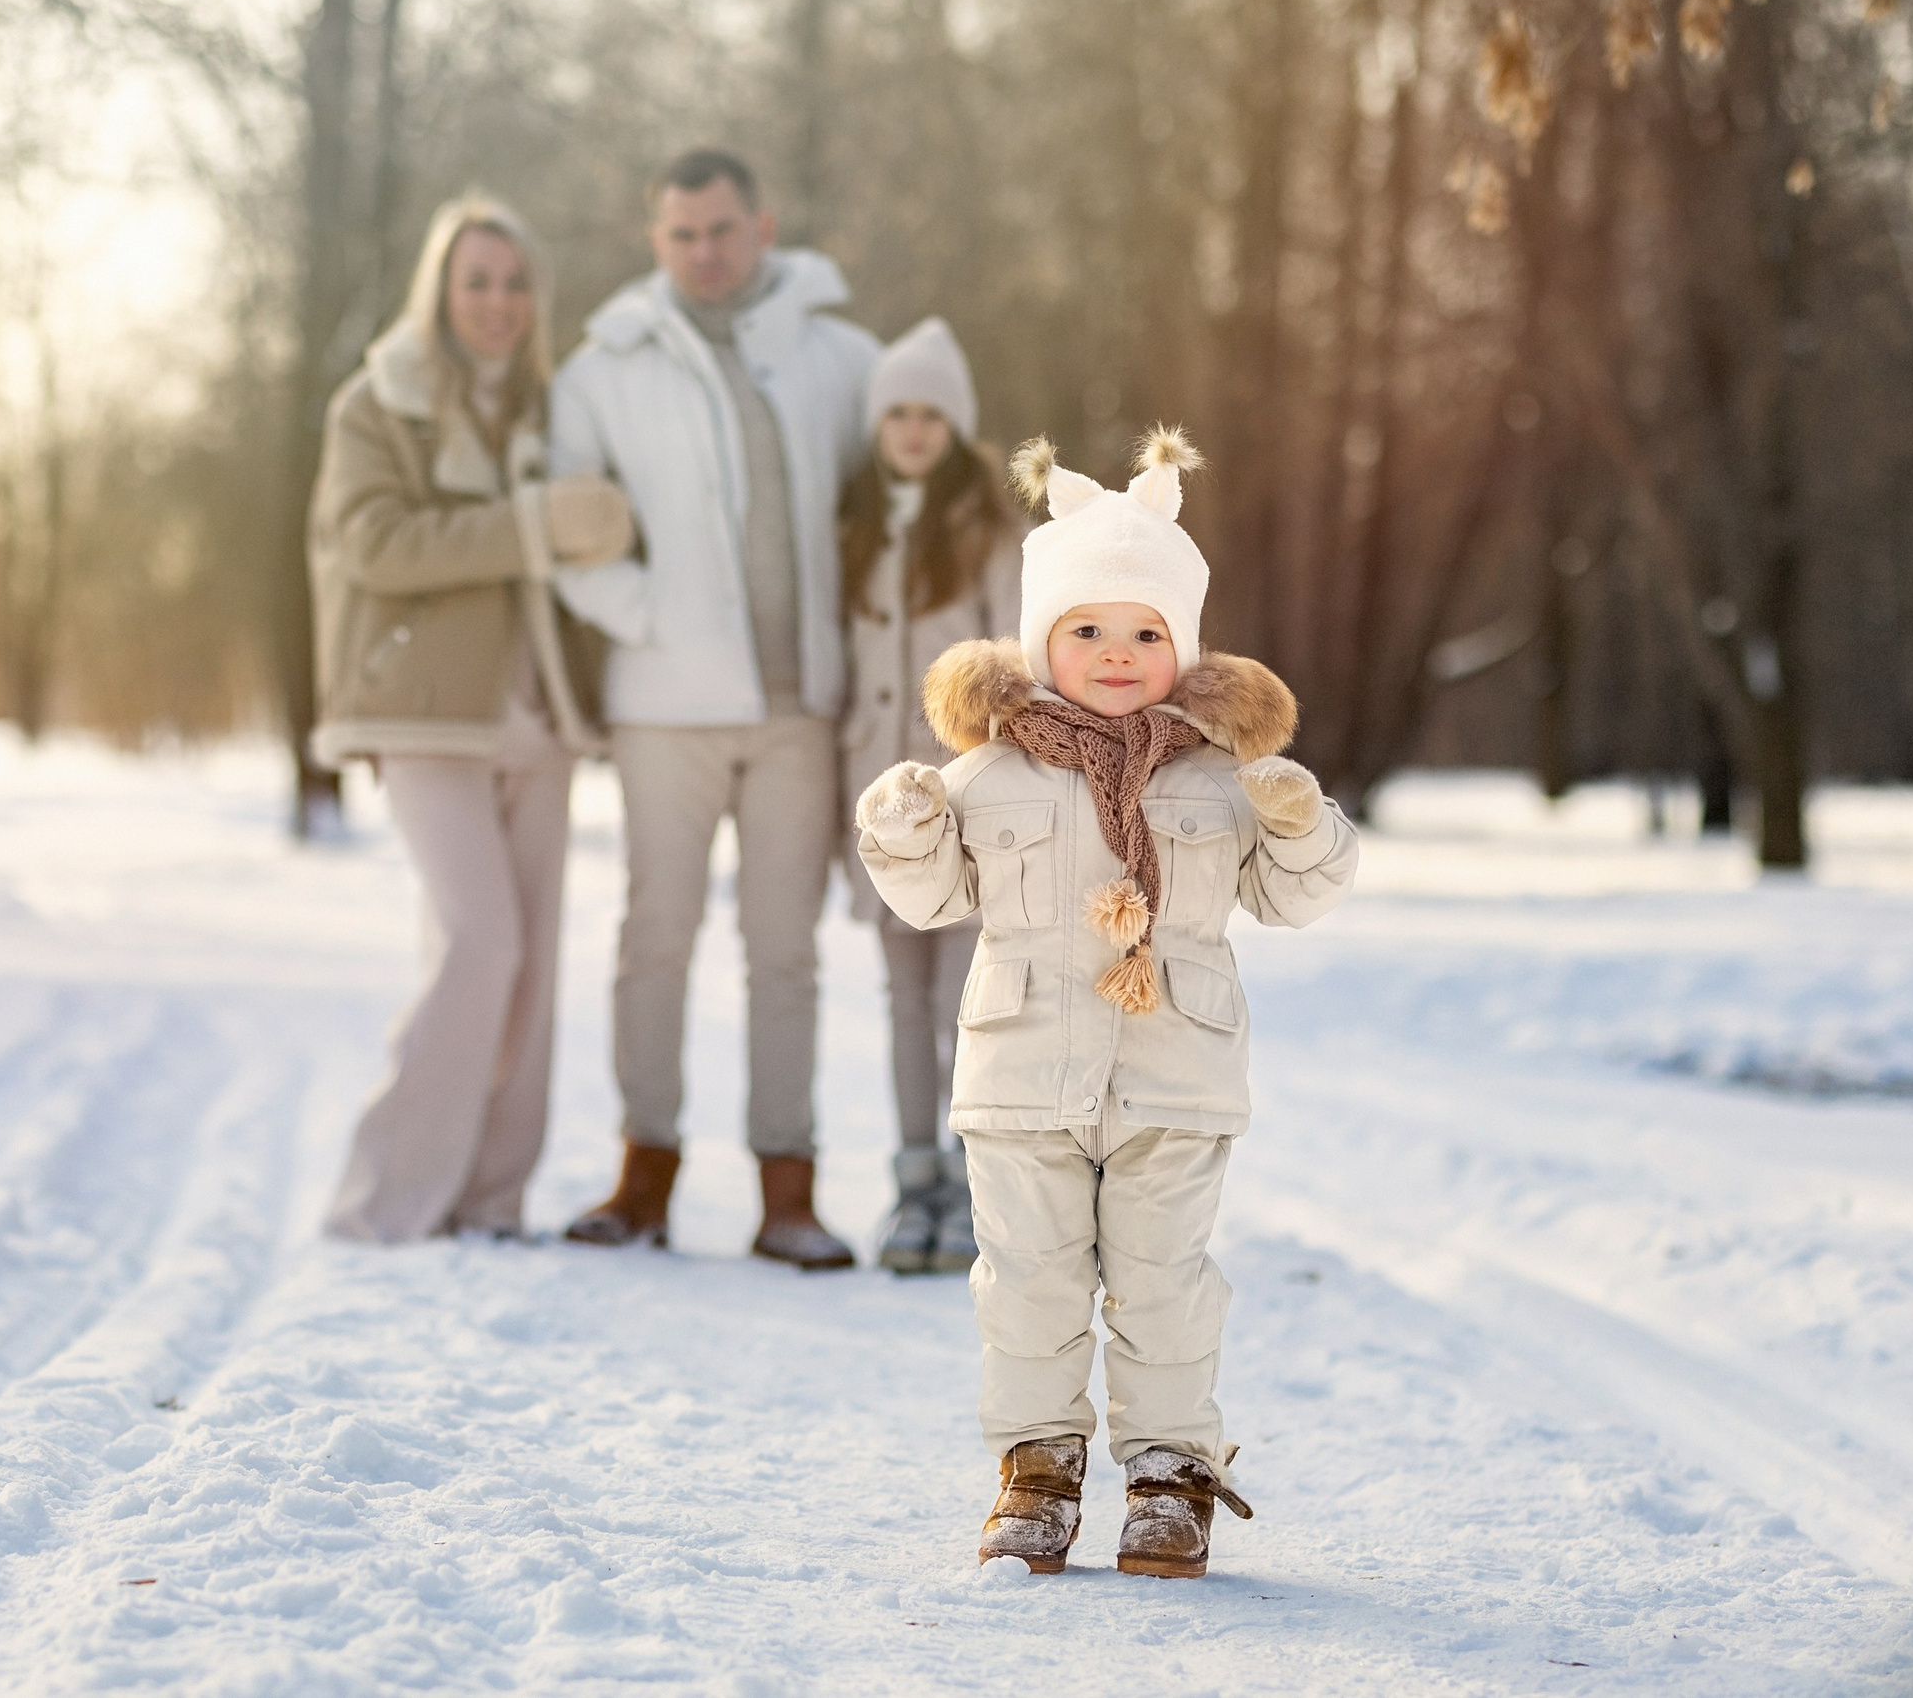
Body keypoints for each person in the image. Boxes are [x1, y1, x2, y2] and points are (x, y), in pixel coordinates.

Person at [853, 428, 1360, 1578]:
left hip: (1175, 1077)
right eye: (1088, 630)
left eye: (1145, 633)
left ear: (1182, 646)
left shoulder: (1218, 779)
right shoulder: (988, 773)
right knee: (1027, 1283)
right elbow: (934, 900)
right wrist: (903, 829)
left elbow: (1295, 897)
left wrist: (1298, 823)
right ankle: (1036, 1467)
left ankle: (1171, 1472)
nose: (1117, 653)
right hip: (1022, 1078)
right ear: (1042, 642)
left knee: (1164, 1283)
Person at [546, 149, 879, 1269]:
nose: (703, 252)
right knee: (655, 937)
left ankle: (789, 1193)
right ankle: (643, 1178)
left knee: (784, 951)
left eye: (722, 230)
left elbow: (886, 509)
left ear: (763, 224)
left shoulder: (840, 357)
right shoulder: (603, 368)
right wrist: (645, 614)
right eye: (681, 234)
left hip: (801, 710)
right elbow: (565, 526)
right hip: (664, 705)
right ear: (656, 241)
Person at [311, 195, 636, 1244]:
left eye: (513, 284)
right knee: (478, 943)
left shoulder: (556, 410)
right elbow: (376, 545)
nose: (496, 303)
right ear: (441, 292)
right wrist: (531, 526)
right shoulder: (378, 404)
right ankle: (383, 1199)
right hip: (420, 711)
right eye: (476, 282)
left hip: (537, 714)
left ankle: (490, 1196)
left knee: (531, 964)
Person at [835, 319, 1022, 1275]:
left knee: (964, 1001)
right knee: (902, 1000)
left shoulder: (989, 531)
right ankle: (912, 1185)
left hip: (964, 802)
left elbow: (1018, 670)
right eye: (896, 414)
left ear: (956, 424)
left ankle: (970, 1186)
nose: (911, 431)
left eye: (929, 415)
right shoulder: (858, 527)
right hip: (879, 803)